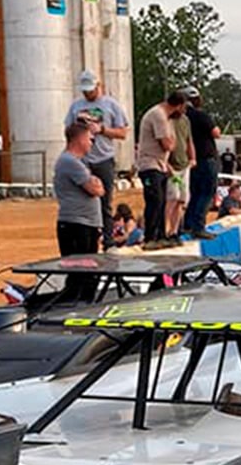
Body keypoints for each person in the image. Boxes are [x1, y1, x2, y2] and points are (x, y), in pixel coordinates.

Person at [64, 69, 130, 250]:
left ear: (98, 85)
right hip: (82, 161)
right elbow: (68, 131)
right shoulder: (75, 106)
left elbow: (123, 132)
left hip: (103, 159)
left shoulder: (111, 105)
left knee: (105, 202)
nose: (87, 93)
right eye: (85, 90)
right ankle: (88, 240)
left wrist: (102, 130)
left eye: (90, 89)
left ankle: (108, 241)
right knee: (82, 203)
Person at [54, 121, 105, 301]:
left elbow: (99, 186)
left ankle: (84, 303)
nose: (92, 143)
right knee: (80, 273)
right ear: (80, 139)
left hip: (86, 223)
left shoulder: (78, 162)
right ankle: (76, 307)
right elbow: (95, 189)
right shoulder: (70, 162)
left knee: (89, 273)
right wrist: (96, 184)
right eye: (90, 139)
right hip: (76, 224)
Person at [136, 90, 186, 248]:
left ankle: (161, 235)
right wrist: (171, 142)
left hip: (161, 165)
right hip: (150, 165)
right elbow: (167, 145)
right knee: (154, 200)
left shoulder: (167, 119)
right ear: (178, 106)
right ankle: (150, 237)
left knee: (162, 201)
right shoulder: (159, 116)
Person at [183, 88, 221, 240]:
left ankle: (188, 224)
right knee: (206, 193)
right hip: (206, 158)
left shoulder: (183, 117)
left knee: (195, 193)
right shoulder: (201, 116)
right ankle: (198, 226)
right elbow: (216, 133)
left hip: (192, 160)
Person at [166, 101, 195, 239]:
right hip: (171, 164)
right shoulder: (167, 120)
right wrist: (166, 164)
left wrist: (192, 158)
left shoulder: (185, 120)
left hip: (184, 165)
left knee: (183, 199)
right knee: (173, 197)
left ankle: (174, 230)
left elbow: (189, 141)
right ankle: (165, 228)